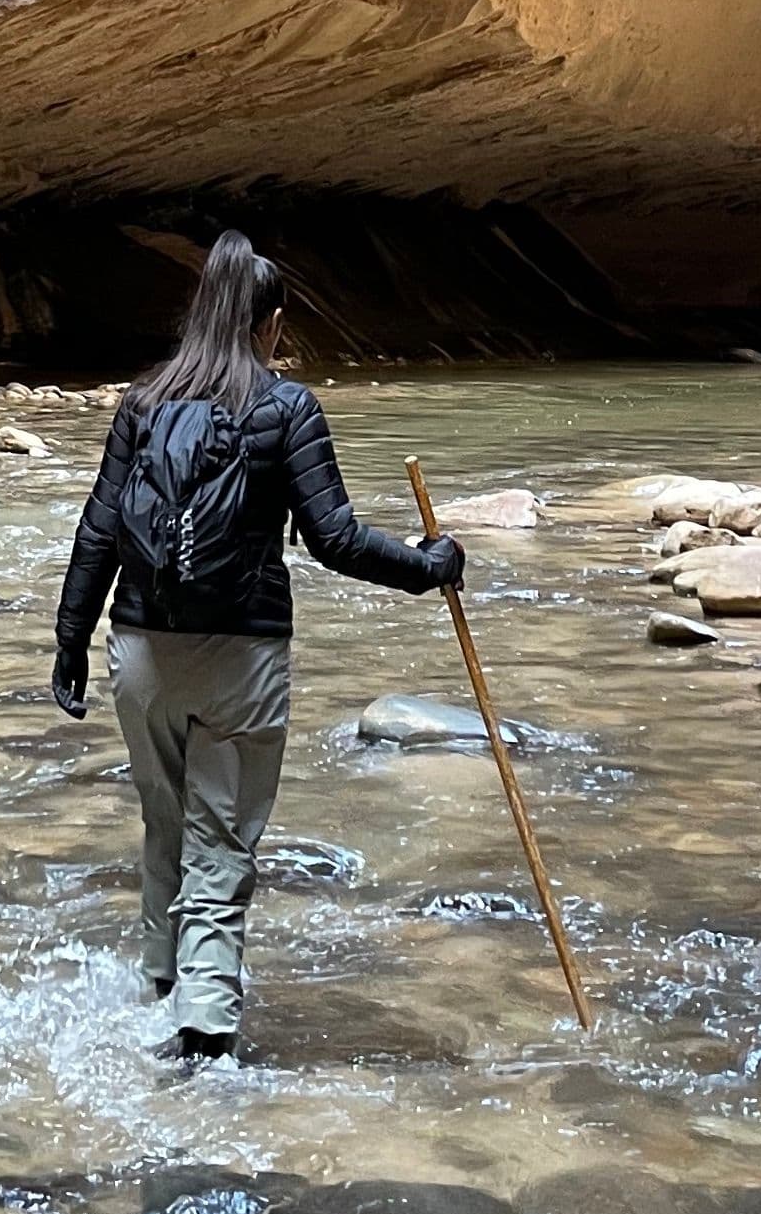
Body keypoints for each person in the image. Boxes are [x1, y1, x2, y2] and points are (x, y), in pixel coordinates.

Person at [51, 231, 462, 1062]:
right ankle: (204, 1028)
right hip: (242, 658)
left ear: (200, 312)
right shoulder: (286, 409)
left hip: (139, 651)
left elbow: (98, 528)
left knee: (164, 821)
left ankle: (158, 984)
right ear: (269, 324)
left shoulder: (142, 402)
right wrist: (428, 568)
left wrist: (70, 640)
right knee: (221, 839)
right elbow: (336, 538)